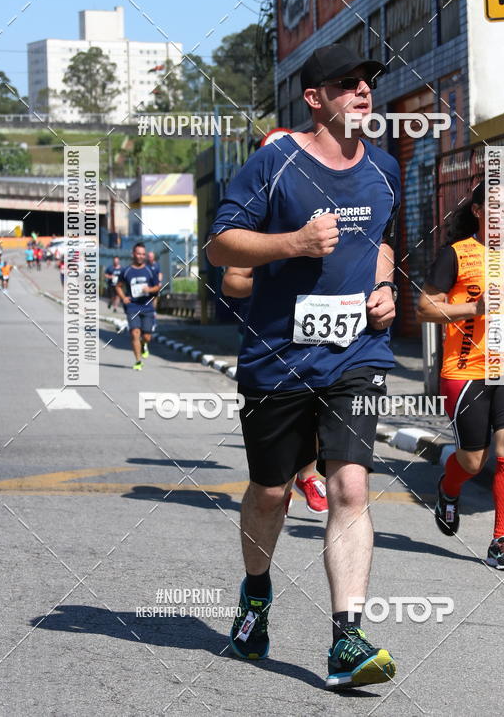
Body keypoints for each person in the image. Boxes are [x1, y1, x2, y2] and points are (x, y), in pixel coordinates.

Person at [207, 43, 401, 690]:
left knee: (349, 487)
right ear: (314, 99)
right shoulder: (276, 164)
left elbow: (380, 243)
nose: (362, 92)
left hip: (356, 356)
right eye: (345, 84)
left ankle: (347, 639)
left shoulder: (382, 169)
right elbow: (222, 243)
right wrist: (291, 243)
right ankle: (256, 593)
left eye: (368, 82)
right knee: (271, 493)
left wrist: (386, 289)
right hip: (277, 360)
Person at [417, 181, 504, 570]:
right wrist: (474, 309)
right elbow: (425, 309)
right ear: (479, 211)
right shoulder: (456, 255)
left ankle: (501, 541)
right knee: (473, 461)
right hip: (465, 370)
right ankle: (448, 490)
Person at [221, 266, 328, 515]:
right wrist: (275, 286)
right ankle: (284, 483)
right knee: (285, 420)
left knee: (315, 413)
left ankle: (306, 476)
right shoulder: (263, 230)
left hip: (320, 335)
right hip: (271, 340)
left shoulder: (341, 231)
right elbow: (230, 283)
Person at [115, 242, 161, 369]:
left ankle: (144, 344)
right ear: (133, 254)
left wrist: (149, 290)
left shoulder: (150, 271)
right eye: (138, 253)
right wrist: (123, 297)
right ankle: (138, 361)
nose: (141, 256)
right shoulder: (126, 271)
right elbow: (118, 286)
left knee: (147, 336)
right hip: (132, 307)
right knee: (135, 332)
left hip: (147, 306)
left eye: (143, 254)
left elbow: (158, 287)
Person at [146, 251, 163, 325]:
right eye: (149, 256)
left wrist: (159, 281)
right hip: (148, 287)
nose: (150, 258)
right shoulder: (145, 265)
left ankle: (153, 317)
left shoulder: (157, 265)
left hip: (155, 287)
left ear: (153, 257)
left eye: (151, 256)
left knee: (154, 302)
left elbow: (160, 273)